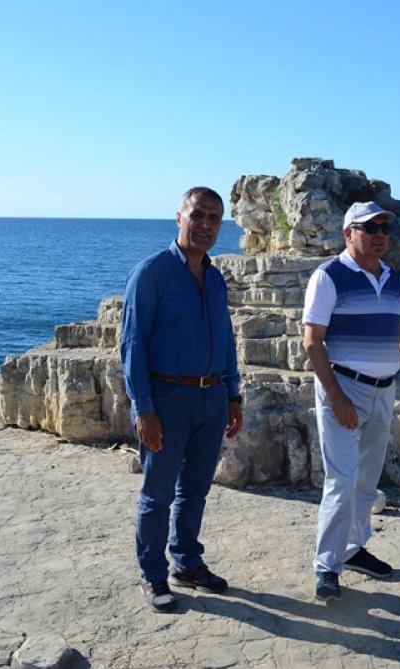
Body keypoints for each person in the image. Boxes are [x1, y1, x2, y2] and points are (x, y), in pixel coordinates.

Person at [303, 201, 400, 602]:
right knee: (341, 480)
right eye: (371, 228)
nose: (380, 235)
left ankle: (352, 549)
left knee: (366, 479)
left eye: (385, 228)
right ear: (348, 234)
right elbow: (312, 342)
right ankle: (326, 566)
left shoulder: (392, 278)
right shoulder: (329, 276)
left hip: (384, 389)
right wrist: (337, 397)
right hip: (344, 389)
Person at [120, 186, 243, 613]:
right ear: (179, 218)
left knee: (195, 490)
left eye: (214, 218)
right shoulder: (151, 273)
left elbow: (226, 339)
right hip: (167, 398)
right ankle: (152, 574)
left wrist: (233, 395)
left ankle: (187, 563)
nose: (205, 224)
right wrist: (144, 408)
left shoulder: (215, 278)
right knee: (158, 494)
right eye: (198, 215)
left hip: (212, 398)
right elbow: (132, 345)